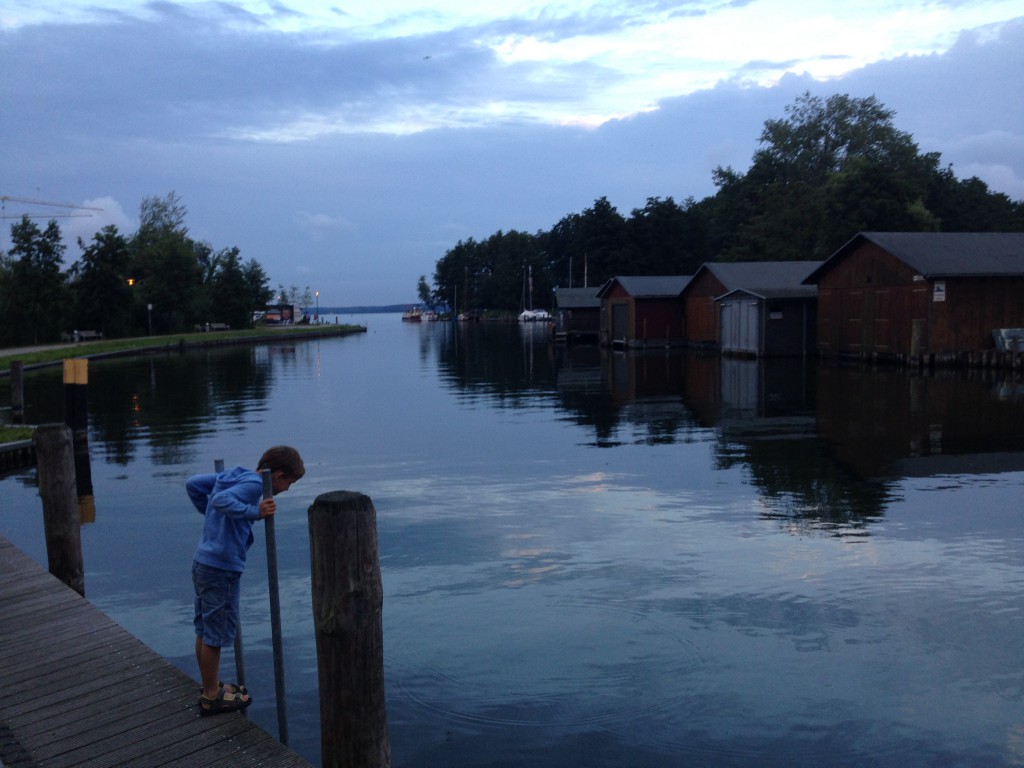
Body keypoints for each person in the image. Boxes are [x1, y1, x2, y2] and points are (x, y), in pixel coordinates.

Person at [187, 445, 305, 716]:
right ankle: (211, 696)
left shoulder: (235, 475)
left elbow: (193, 484)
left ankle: (209, 685)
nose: (287, 489)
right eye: (290, 482)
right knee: (215, 635)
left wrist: (213, 521)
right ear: (278, 474)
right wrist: (255, 512)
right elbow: (220, 502)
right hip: (221, 567)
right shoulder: (254, 486)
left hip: (202, 561)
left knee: (204, 628)